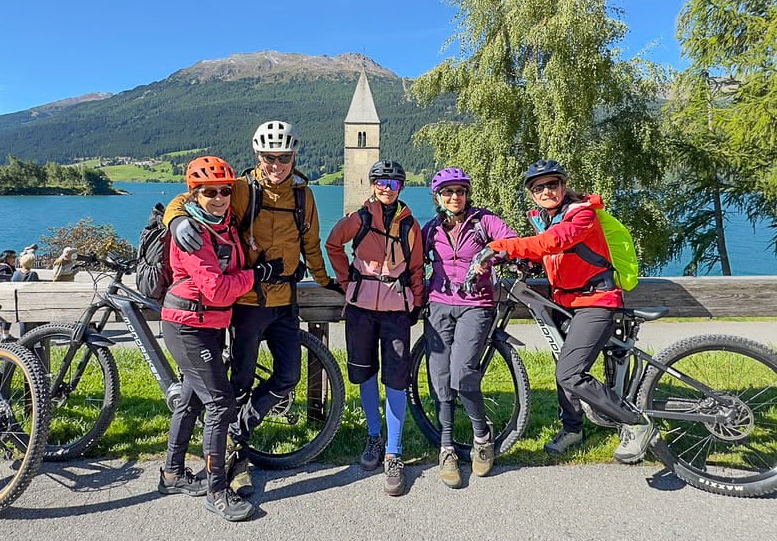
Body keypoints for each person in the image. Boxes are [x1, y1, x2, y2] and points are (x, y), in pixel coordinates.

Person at [165, 120, 338, 497]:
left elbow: (312, 243)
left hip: (285, 301)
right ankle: (237, 460)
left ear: (294, 157)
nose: (276, 164)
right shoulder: (242, 189)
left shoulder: (304, 196)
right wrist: (176, 220)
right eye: (269, 157)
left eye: (284, 157)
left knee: (288, 376)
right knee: (240, 382)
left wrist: (326, 282)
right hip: (246, 304)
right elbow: (190, 197)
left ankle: (237, 431)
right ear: (258, 156)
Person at [478, 159, 655, 464]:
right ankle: (573, 429)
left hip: (596, 301)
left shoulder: (582, 213)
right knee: (564, 361)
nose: (546, 191)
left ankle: (637, 423)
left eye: (552, 184)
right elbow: (553, 253)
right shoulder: (545, 218)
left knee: (570, 372)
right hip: (567, 301)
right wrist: (523, 260)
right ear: (532, 194)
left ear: (563, 185)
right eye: (538, 188)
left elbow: (556, 242)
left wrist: (501, 246)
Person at [157, 156, 282, 523]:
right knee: (221, 404)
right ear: (193, 194)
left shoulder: (226, 224)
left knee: (192, 401)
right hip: (187, 324)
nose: (219, 198)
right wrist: (256, 276)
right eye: (209, 191)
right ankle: (216, 490)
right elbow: (216, 290)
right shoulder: (193, 230)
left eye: (224, 191)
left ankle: (172, 474)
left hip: (207, 325)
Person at [326, 159, 425, 496]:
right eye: (381, 182)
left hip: (396, 309)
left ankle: (394, 452)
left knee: (396, 379)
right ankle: (374, 437)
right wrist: (347, 281)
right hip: (361, 309)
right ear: (372, 185)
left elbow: (416, 267)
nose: (386, 188)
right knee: (364, 373)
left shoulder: (410, 223)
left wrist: (417, 302)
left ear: (401, 188)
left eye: (393, 183)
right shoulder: (360, 218)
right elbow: (332, 244)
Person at [421, 167, 517, 487]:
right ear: (438, 197)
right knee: (441, 378)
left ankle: (481, 437)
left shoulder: (483, 220)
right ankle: (446, 448)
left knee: (462, 373)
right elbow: (410, 260)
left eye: (459, 191)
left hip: (476, 305)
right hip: (438, 305)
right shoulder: (430, 228)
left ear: (466, 194)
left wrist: (489, 254)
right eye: (447, 192)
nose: (454, 197)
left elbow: (513, 242)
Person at [0, 249, 17, 341]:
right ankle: (6, 335)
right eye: (13, 257)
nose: (15, 259)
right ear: (7, 258)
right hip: (4, 295)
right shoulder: (5, 269)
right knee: (8, 314)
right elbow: (5, 281)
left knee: (2, 314)